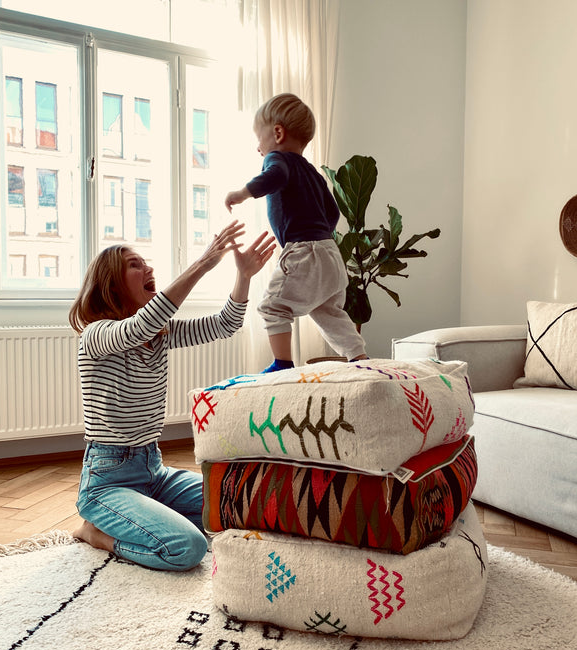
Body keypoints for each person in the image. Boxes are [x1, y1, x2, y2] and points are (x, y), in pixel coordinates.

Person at [68, 222, 275, 571]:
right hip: (107, 480)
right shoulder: (96, 335)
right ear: (112, 284)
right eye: (134, 265)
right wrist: (203, 263)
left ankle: (149, 515)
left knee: (241, 502)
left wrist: (243, 276)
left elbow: (226, 324)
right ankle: (96, 533)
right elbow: (139, 327)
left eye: (145, 262)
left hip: (154, 470)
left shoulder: (161, 334)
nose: (147, 268)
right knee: (188, 547)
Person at [225, 93, 367, 373]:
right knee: (329, 313)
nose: (258, 147)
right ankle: (360, 359)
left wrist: (243, 193)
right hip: (330, 253)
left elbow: (274, 177)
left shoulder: (277, 159)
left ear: (278, 133)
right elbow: (332, 212)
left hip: (304, 250)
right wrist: (321, 236)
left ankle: (282, 364)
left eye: (259, 138)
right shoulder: (312, 172)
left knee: (272, 306)